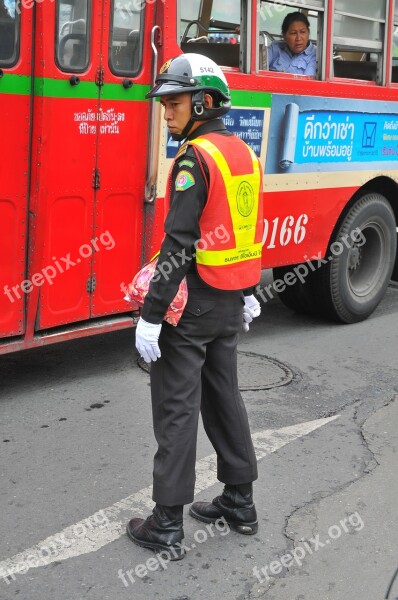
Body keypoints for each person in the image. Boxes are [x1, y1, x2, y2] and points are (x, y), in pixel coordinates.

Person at [126, 53, 264, 560]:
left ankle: (165, 524)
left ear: (203, 102)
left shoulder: (194, 158)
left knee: (177, 410)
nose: (166, 112)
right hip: (229, 299)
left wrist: (150, 315)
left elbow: (178, 244)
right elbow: (244, 228)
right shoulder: (243, 153)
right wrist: (248, 292)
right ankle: (239, 500)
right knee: (224, 397)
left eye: (175, 102)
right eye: (164, 103)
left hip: (193, 303)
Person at [268, 11, 316, 76]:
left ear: (308, 32)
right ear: (284, 36)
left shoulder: (315, 54)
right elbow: (258, 68)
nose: (298, 38)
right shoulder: (275, 48)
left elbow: (307, 83)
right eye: (293, 33)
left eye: (302, 32)